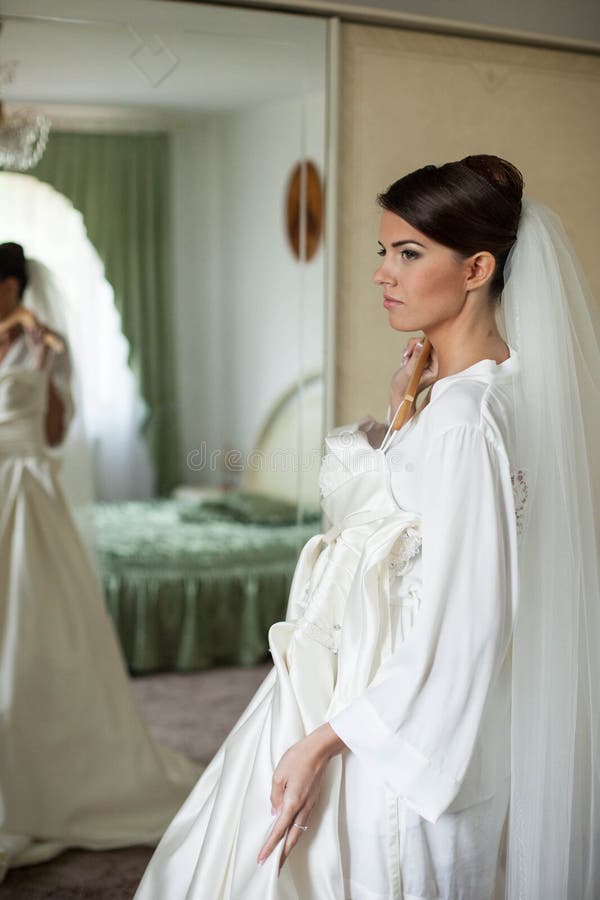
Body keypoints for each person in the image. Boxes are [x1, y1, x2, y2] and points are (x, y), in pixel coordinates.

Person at [133, 156, 600, 900]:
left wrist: (322, 741)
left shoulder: (464, 421)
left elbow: (467, 623)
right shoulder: (482, 390)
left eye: (409, 254)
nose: (384, 273)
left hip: (401, 716)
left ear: (477, 267)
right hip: (383, 687)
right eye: (383, 252)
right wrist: (402, 414)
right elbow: (381, 528)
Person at [0, 242, 201, 880]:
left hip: (28, 488)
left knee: (37, 624)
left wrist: (44, 366)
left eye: (3, 285)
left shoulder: (47, 342)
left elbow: (57, 431)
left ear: (17, 285)